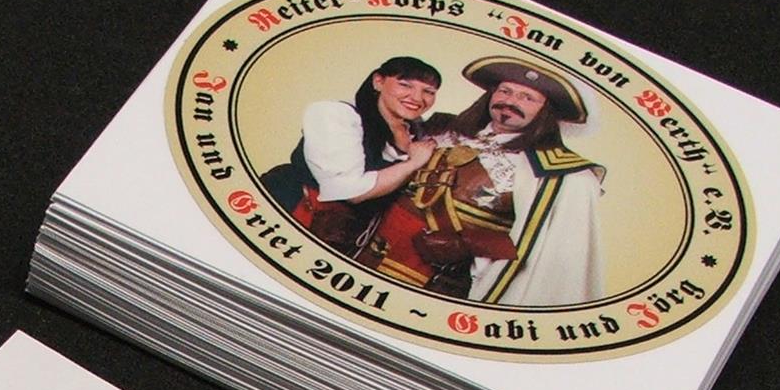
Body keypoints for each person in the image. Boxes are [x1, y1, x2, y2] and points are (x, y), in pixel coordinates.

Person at [366, 55, 606, 305]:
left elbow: (550, 253)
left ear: (546, 112)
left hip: (436, 285)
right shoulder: (439, 128)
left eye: (527, 98)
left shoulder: (561, 174)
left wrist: (468, 245)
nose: (510, 102)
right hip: (367, 251)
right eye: (505, 91)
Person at [259, 57, 443, 255]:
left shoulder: (420, 133)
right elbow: (350, 192)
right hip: (289, 214)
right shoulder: (336, 115)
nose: (417, 98)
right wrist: (413, 163)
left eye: (429, 92)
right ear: (378, 82)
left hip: (350, 237)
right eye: (405, 85)